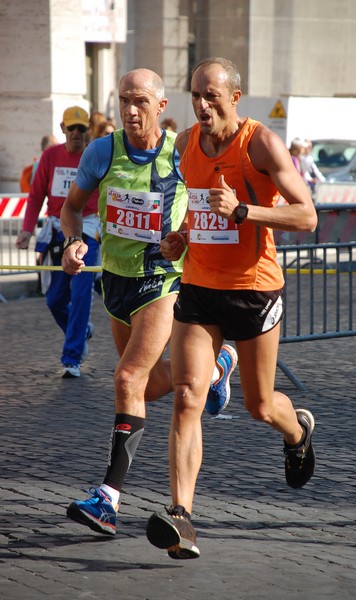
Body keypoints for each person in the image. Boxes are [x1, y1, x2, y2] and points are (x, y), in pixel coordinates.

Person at [146, 57, 318, 560]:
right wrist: (180, 238)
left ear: (234, 97)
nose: (201, 105)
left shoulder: (259, 142)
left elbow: (306, 215)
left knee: (259, 405)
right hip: (199, 285)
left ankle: (298, 430)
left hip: (255, 289)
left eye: (211, 96)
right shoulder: (185, 145)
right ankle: (181, 517)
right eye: (195, 95)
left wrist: (244, 211)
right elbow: (195, 205)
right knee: (186, 396)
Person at [60, 68, 237, 536]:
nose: (130, 110)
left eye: (140, 101)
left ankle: (107, 499)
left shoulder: (181, 150)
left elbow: (210, 198)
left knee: (126, 377)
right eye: (123, 101)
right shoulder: (103, 151)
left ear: (161, 106)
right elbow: (72, 207)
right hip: (115, 283)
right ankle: (216, 369)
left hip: (162, 280)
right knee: (142, 387)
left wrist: (188, 237)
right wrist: (74, 241)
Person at [16, 106, 100, 378]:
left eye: (82, 129)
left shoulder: (95, 155)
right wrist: (27, 230)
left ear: (88, 131)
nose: (76, 133)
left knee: (80, 293)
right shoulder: (50, 156)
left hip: (88, 231)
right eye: (72, 128)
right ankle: (82, 331)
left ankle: (72, 357)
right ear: (63, 129)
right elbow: (35, 195)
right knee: (53, 299)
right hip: (57, 232)